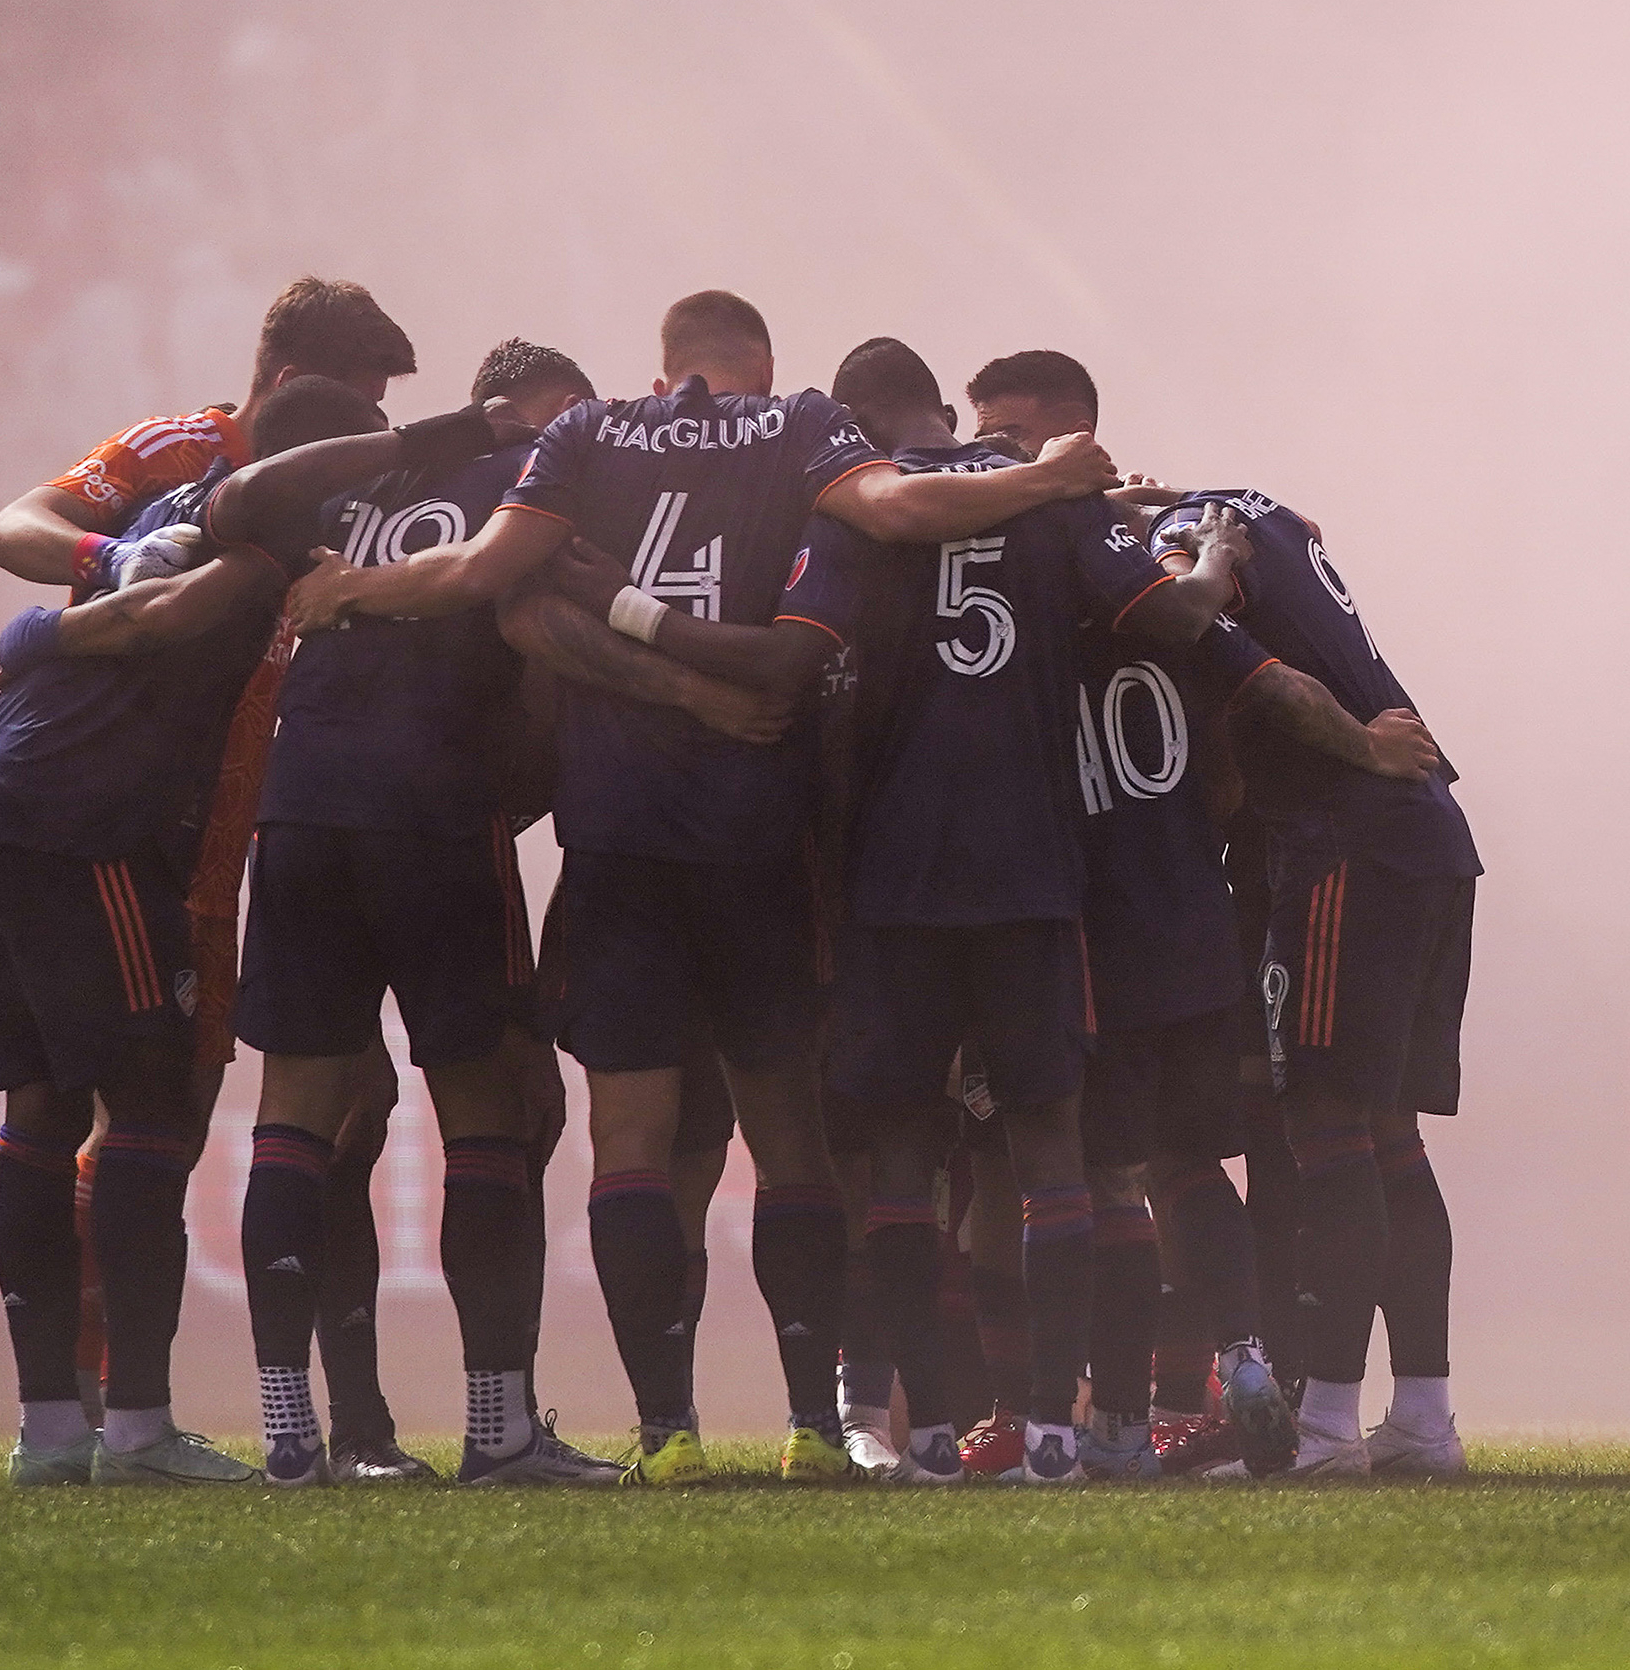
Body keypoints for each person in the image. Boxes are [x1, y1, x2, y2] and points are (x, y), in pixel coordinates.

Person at [286, 291, 1119, 1484]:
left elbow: (483, 577)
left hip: (617, 833)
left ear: (665, 365)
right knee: (787, 1135)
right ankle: (809, 1424)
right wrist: (1041, 479)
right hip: (754, 833)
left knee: (631, 1135)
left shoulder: (586, 436)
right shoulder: (799, 427)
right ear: (758, 363)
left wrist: (352, 589)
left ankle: (667, 1432)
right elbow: (896, 502)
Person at [733, 338, 1241, 1487]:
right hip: (1028, 872)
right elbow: (1169, 619)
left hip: (894, 880)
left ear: (860, 420)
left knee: (903, 1159)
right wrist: (1207, 558)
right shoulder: (1057, 497)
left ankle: (914, 1438)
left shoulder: (858, 502)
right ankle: (1057, 1436)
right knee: (1049, 1144)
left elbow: (812, 675)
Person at [0, 276, 429, 1473]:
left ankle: (63, 1425)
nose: (366, 447)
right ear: (289, 390)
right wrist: (93, 576)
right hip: (108, 817)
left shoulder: (293, 498)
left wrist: (34, 638)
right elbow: (18, 531)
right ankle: (122, 1421)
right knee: (149, 1104)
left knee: (70, 1108)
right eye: (356, 418)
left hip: (123, 819)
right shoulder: (208, 471)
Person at [966, 353, 1445, 1480]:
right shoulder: (1170, 527)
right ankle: (1271, 1376)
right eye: (980, 434)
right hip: (1224, 891)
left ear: (1074, 435)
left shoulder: (1089, 571)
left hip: (1166, 894)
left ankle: (1158, 1417)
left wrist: (1366, 745)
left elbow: (1248, 669)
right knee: (1255, 1147)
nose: (991, 454)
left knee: (1123, 1160)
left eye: (1012, 434)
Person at [200, 339, 630, 1487]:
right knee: (487, 1107)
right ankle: (497, 1429)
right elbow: (532, 647)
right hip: (435, 811)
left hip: (301, 813)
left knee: (293, 1112)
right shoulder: (522, 485)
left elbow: (237, 498)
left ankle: (288, 1432)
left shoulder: (341, 486)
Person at [1146, 483, 1481, 1479]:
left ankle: (1329, 1423)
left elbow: (1189, 608)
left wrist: (1161, 535)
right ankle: (1421, 1414)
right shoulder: (1254, 507)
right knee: (1384, 1138)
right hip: (1422, 839)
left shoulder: (1180, 539)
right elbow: (1299, 528)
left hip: (1346, 846)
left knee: (1326, 1129)